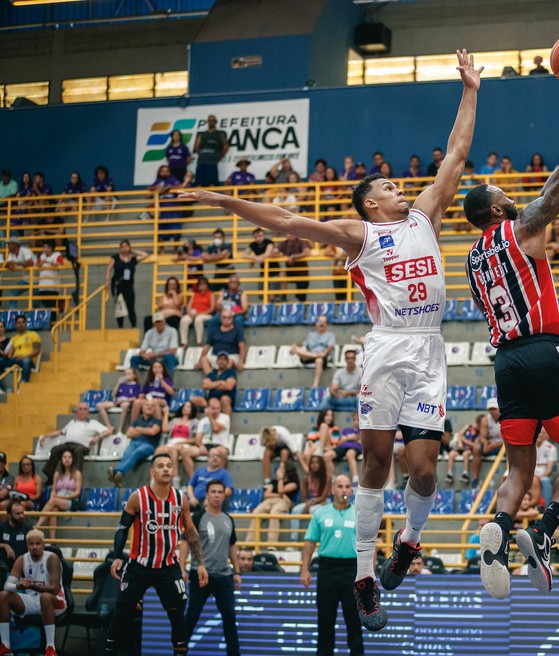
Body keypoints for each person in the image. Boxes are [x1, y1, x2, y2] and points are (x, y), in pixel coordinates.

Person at [183, 52, 481, 631]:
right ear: (372, 203)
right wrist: (227, 202)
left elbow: (459, 154)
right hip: (388, 348)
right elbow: (287, 222)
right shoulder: (359, 234)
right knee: (374, 463)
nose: (402, 189)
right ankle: (366, 577)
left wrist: (470, 90)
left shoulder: (424, 217)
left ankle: (410, 542)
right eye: (391, 187)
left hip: (429, 349)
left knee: (423, 471)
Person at [463, 59, 559, 600]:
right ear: (497, 207)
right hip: (544, 353)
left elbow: (509, 319)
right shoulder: (523, 227)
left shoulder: (474, 261)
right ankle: (542, 533)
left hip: (508, 364)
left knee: (519, 467)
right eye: (503, 190)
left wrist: (552, 348)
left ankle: (498, 530)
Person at [104, 453, 205, 656]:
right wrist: (117, 556)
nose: (166, 469)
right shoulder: (138, 497)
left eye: (169, 465)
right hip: (139, 564)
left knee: (178, 616)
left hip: (167, 565)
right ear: (152, 472)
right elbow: (122, 528)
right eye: (161, 466)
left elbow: (191, 532)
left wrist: (200, 563)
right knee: (122, 612)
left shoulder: (180, 498)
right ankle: (109, 652)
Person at [300, 474, 364, 656]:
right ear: (332, 490)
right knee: (325, 621)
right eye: (340, 486)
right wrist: (304, 569)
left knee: (354, 621)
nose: (344, 490)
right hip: (327, 569)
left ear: (351, 491)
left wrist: (370, 572)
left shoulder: (359, 513)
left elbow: (369, 544)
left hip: (352, 570)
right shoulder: (320, 513)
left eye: (347, 487)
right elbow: (310, 542)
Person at [180, 480, 241, 656]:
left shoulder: (228, 519)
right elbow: (185, 542)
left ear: (224, 495)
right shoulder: (197, 517)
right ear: (207, 495)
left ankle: (233, 654)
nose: (216, 495)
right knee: (192, 616)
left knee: (229, 616)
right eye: (213, 491)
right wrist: (182, 567)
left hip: (224, 575)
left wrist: (236, 571)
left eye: (219, 492)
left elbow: (232, 546)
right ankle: (180, 651)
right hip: (200, 574)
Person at [0, 529, 65, 656]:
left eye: (38, 543)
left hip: (55, 601)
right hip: (33, 601)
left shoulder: (52, 558)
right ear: (27, 545)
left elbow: (55, 589)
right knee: (3, 595)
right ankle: (5, 647)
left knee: (45, 597)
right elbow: (7, 585)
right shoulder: (22, 559)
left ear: (43, 544)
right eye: (31, 544)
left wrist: (32, 586)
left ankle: (50, 648)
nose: (34, 547)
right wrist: (17, 585)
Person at [37, 402, 112, 481]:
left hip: (82, 446)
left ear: (88, 412)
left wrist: (98, 437)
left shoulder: (93, 423)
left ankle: (75, 478)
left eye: (85, 409)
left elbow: (109, 431)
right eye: (80, 409)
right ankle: (50, 477)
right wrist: (45, 436)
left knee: (78, 451)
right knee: (56, 449)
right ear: (76, 411)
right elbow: (60, 431)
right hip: (67, 444)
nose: (83, 411)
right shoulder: (72, 422)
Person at [106, 400, 163, 487]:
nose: (149, 407)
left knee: (136, 453)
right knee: (127, 454)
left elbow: (153, 432)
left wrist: (138, 429)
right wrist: (145, 431)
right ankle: (119, 475)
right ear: (142, 409)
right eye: (147, 405)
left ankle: (118, 472)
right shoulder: (137, 421)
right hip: (135, 443)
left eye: (152, 406)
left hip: (148, 445)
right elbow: (129, 433)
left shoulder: (156, 421)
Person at [33, 450, 82, 535]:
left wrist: (62, 497)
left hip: (71, 501)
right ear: (61, 459)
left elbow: (77, 493)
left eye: (69, 457)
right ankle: (53, 541)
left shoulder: (77, 474)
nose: (67, 459)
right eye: (65, 457)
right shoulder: (57, 474)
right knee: (53, 511)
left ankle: (37, 525)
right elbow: (53, 491)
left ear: (73, 460)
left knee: (53, 501)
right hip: (57, 500)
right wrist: (54, 497)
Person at [292, 314, 336, 388]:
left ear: (326, 324)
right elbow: (304, 345)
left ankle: (315, 385)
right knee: (296, 348)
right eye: (320, 322)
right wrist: (296, 345)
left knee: (319, 360)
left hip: (323, 356)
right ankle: (315, 355)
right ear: (316, 324)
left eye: (323, 322)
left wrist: (324, 353)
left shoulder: (330, 335)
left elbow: (330, 347)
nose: (321, 324)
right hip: (311, 355)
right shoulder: (310, 335)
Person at [185, 446, 233, 510]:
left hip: (211, 503)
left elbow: (228, 490)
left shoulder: (224, 473)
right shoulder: (199, 470)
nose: (215, 458)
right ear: (208, 458)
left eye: (218, 456)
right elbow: (190, 485)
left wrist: (211, 499)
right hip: (195, 501)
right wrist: (191, 498)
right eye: (213, 455)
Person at [0, 315, 40, 385]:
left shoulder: (33, 334)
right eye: (18, 323)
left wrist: (25, 357)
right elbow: (9, 355)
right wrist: (6, 355)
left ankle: (23, 383)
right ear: (15, 324)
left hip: (28, 360)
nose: (21, 324)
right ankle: (1, 388)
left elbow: (37, 350)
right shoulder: (14, 339)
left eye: (22, 322)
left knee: (26, 361)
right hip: (15, 360)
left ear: (26, 323)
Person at [192, 114, 228, 187]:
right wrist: (201, 154)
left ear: (215, 122)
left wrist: (220, 156)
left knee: (212, 182)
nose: (211, 122)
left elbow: (225, 146)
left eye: (212, 120)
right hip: (202, 160)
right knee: (199, 182)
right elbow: (196, 146)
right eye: (209, 120)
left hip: (212, 161)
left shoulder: (219, 134)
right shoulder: (202, 134)